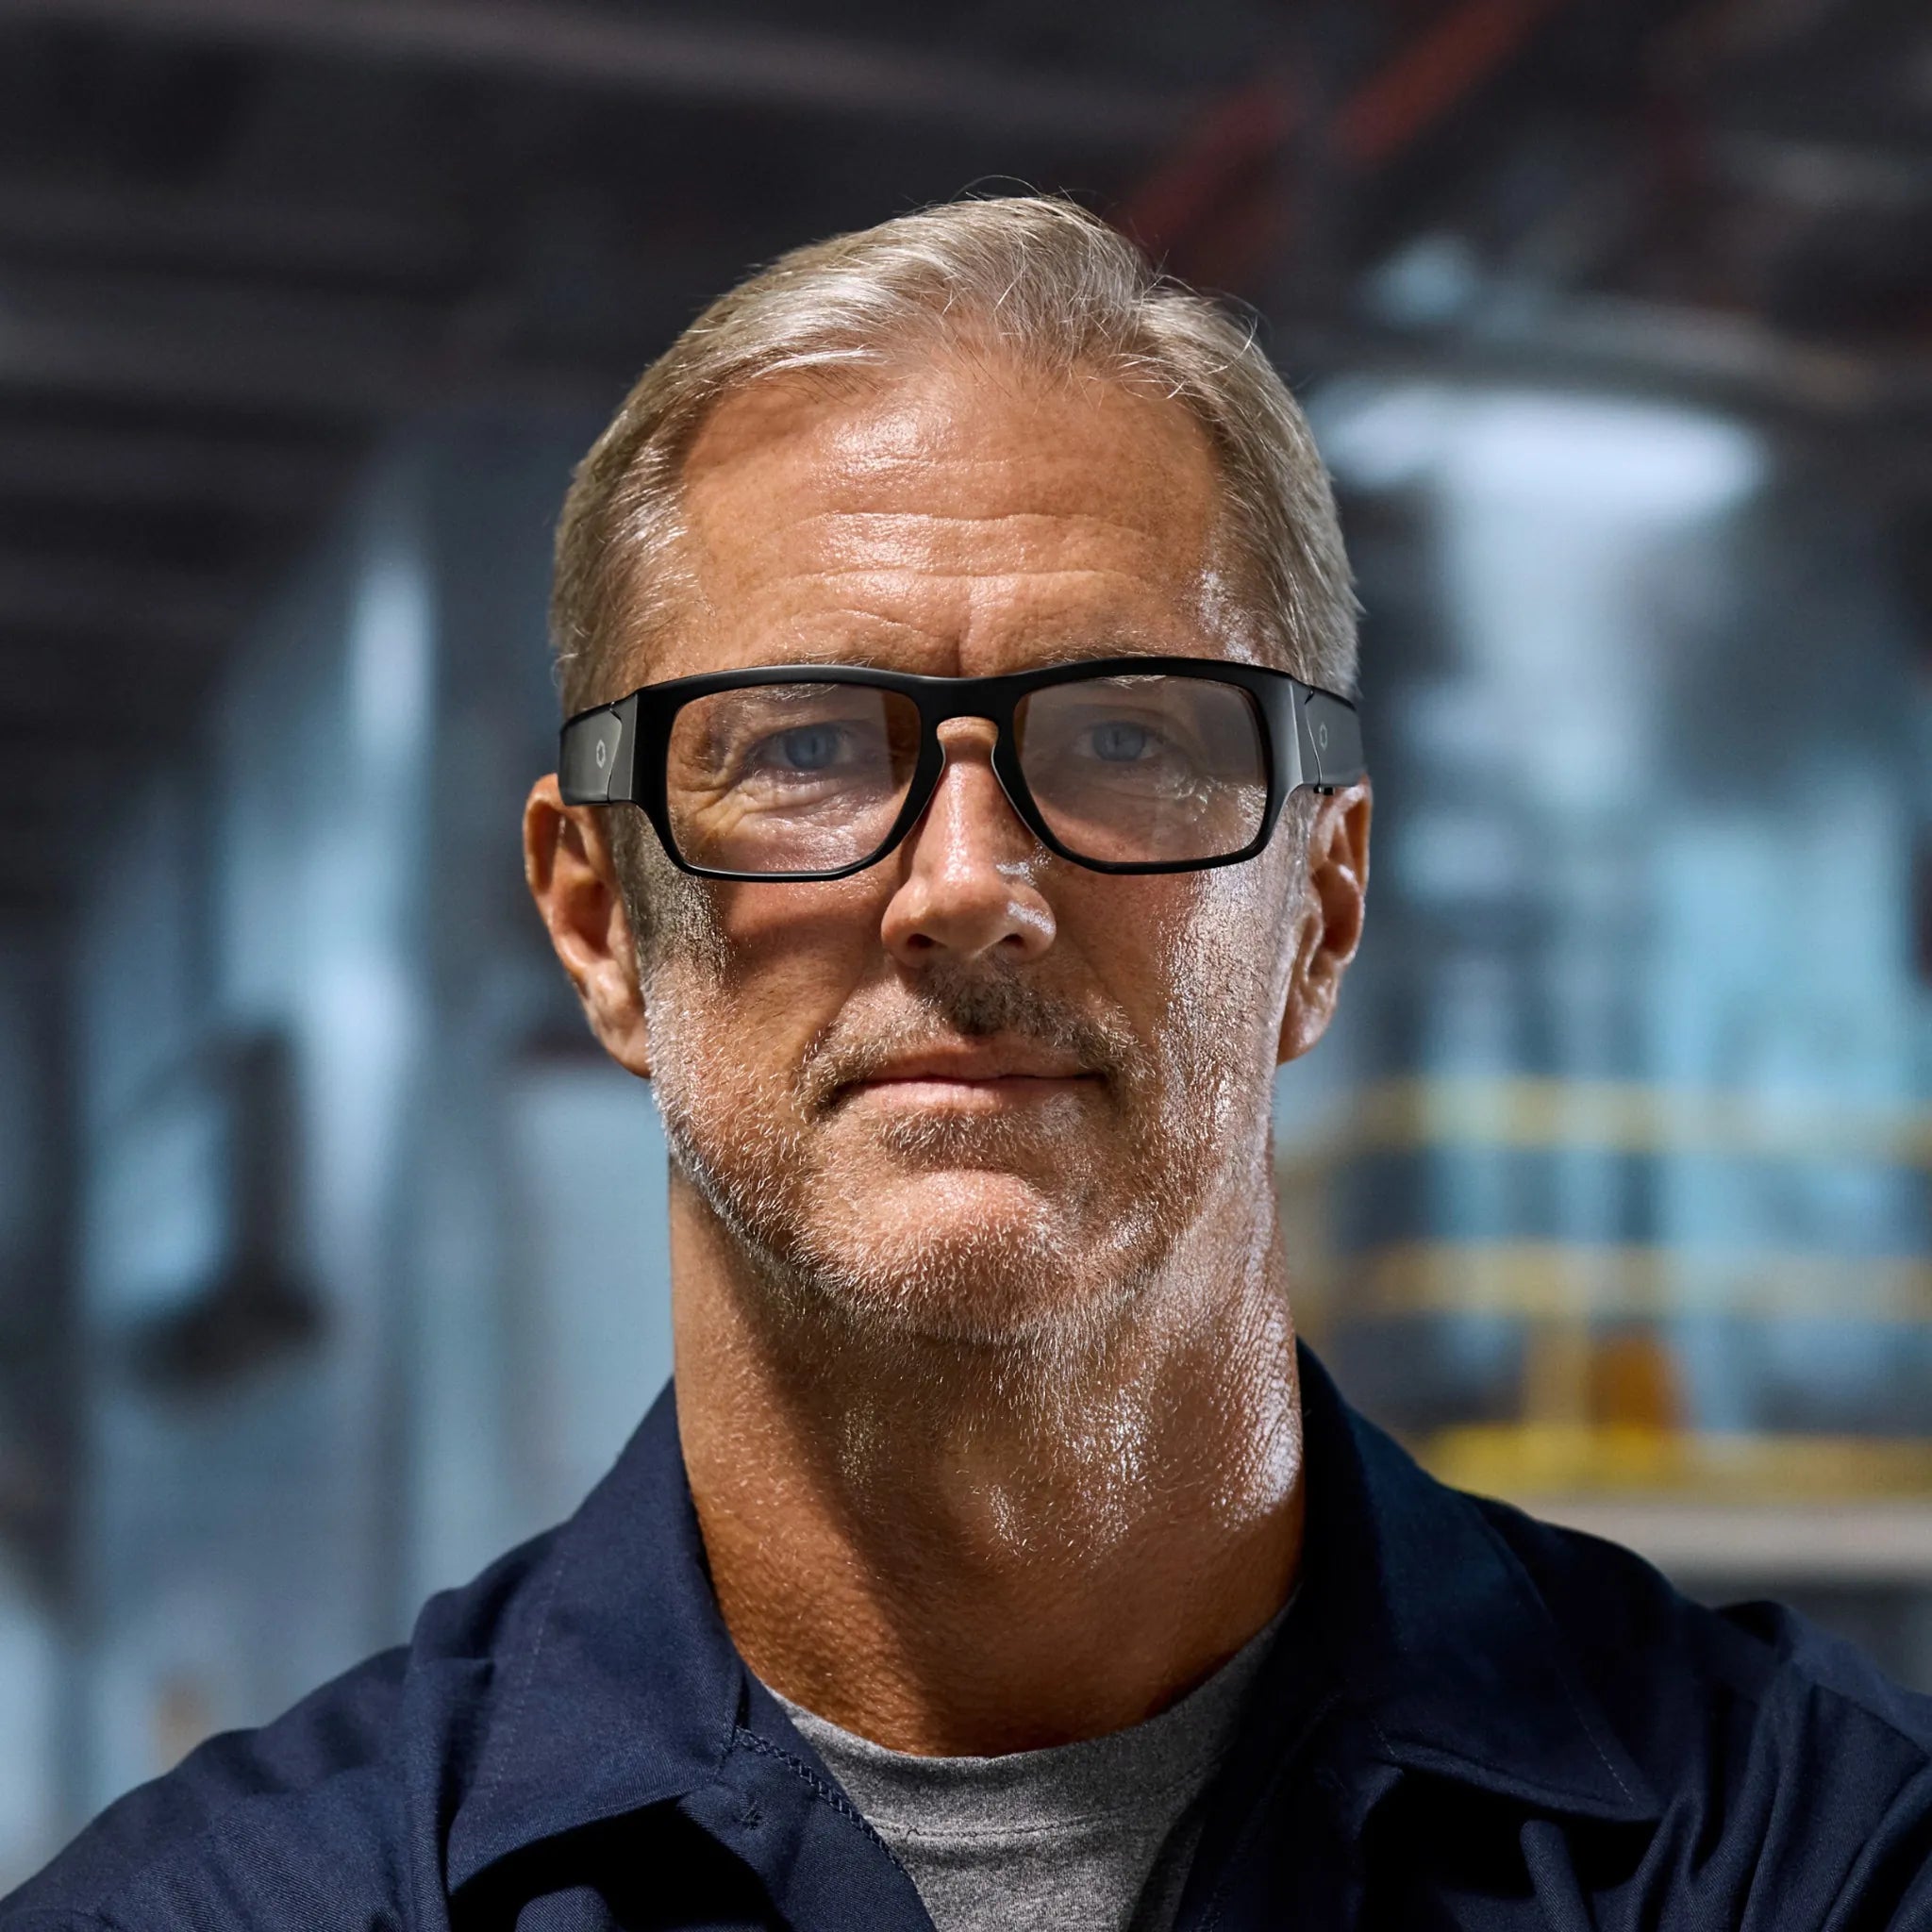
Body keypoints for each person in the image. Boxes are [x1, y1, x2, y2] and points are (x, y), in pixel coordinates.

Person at [8, 194, 1931, 1932]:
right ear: (600, 921)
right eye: (800, 749)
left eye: (1123, 737)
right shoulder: (235, 1909)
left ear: (1323, 906)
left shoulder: (1813, 1857)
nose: (965, 884)